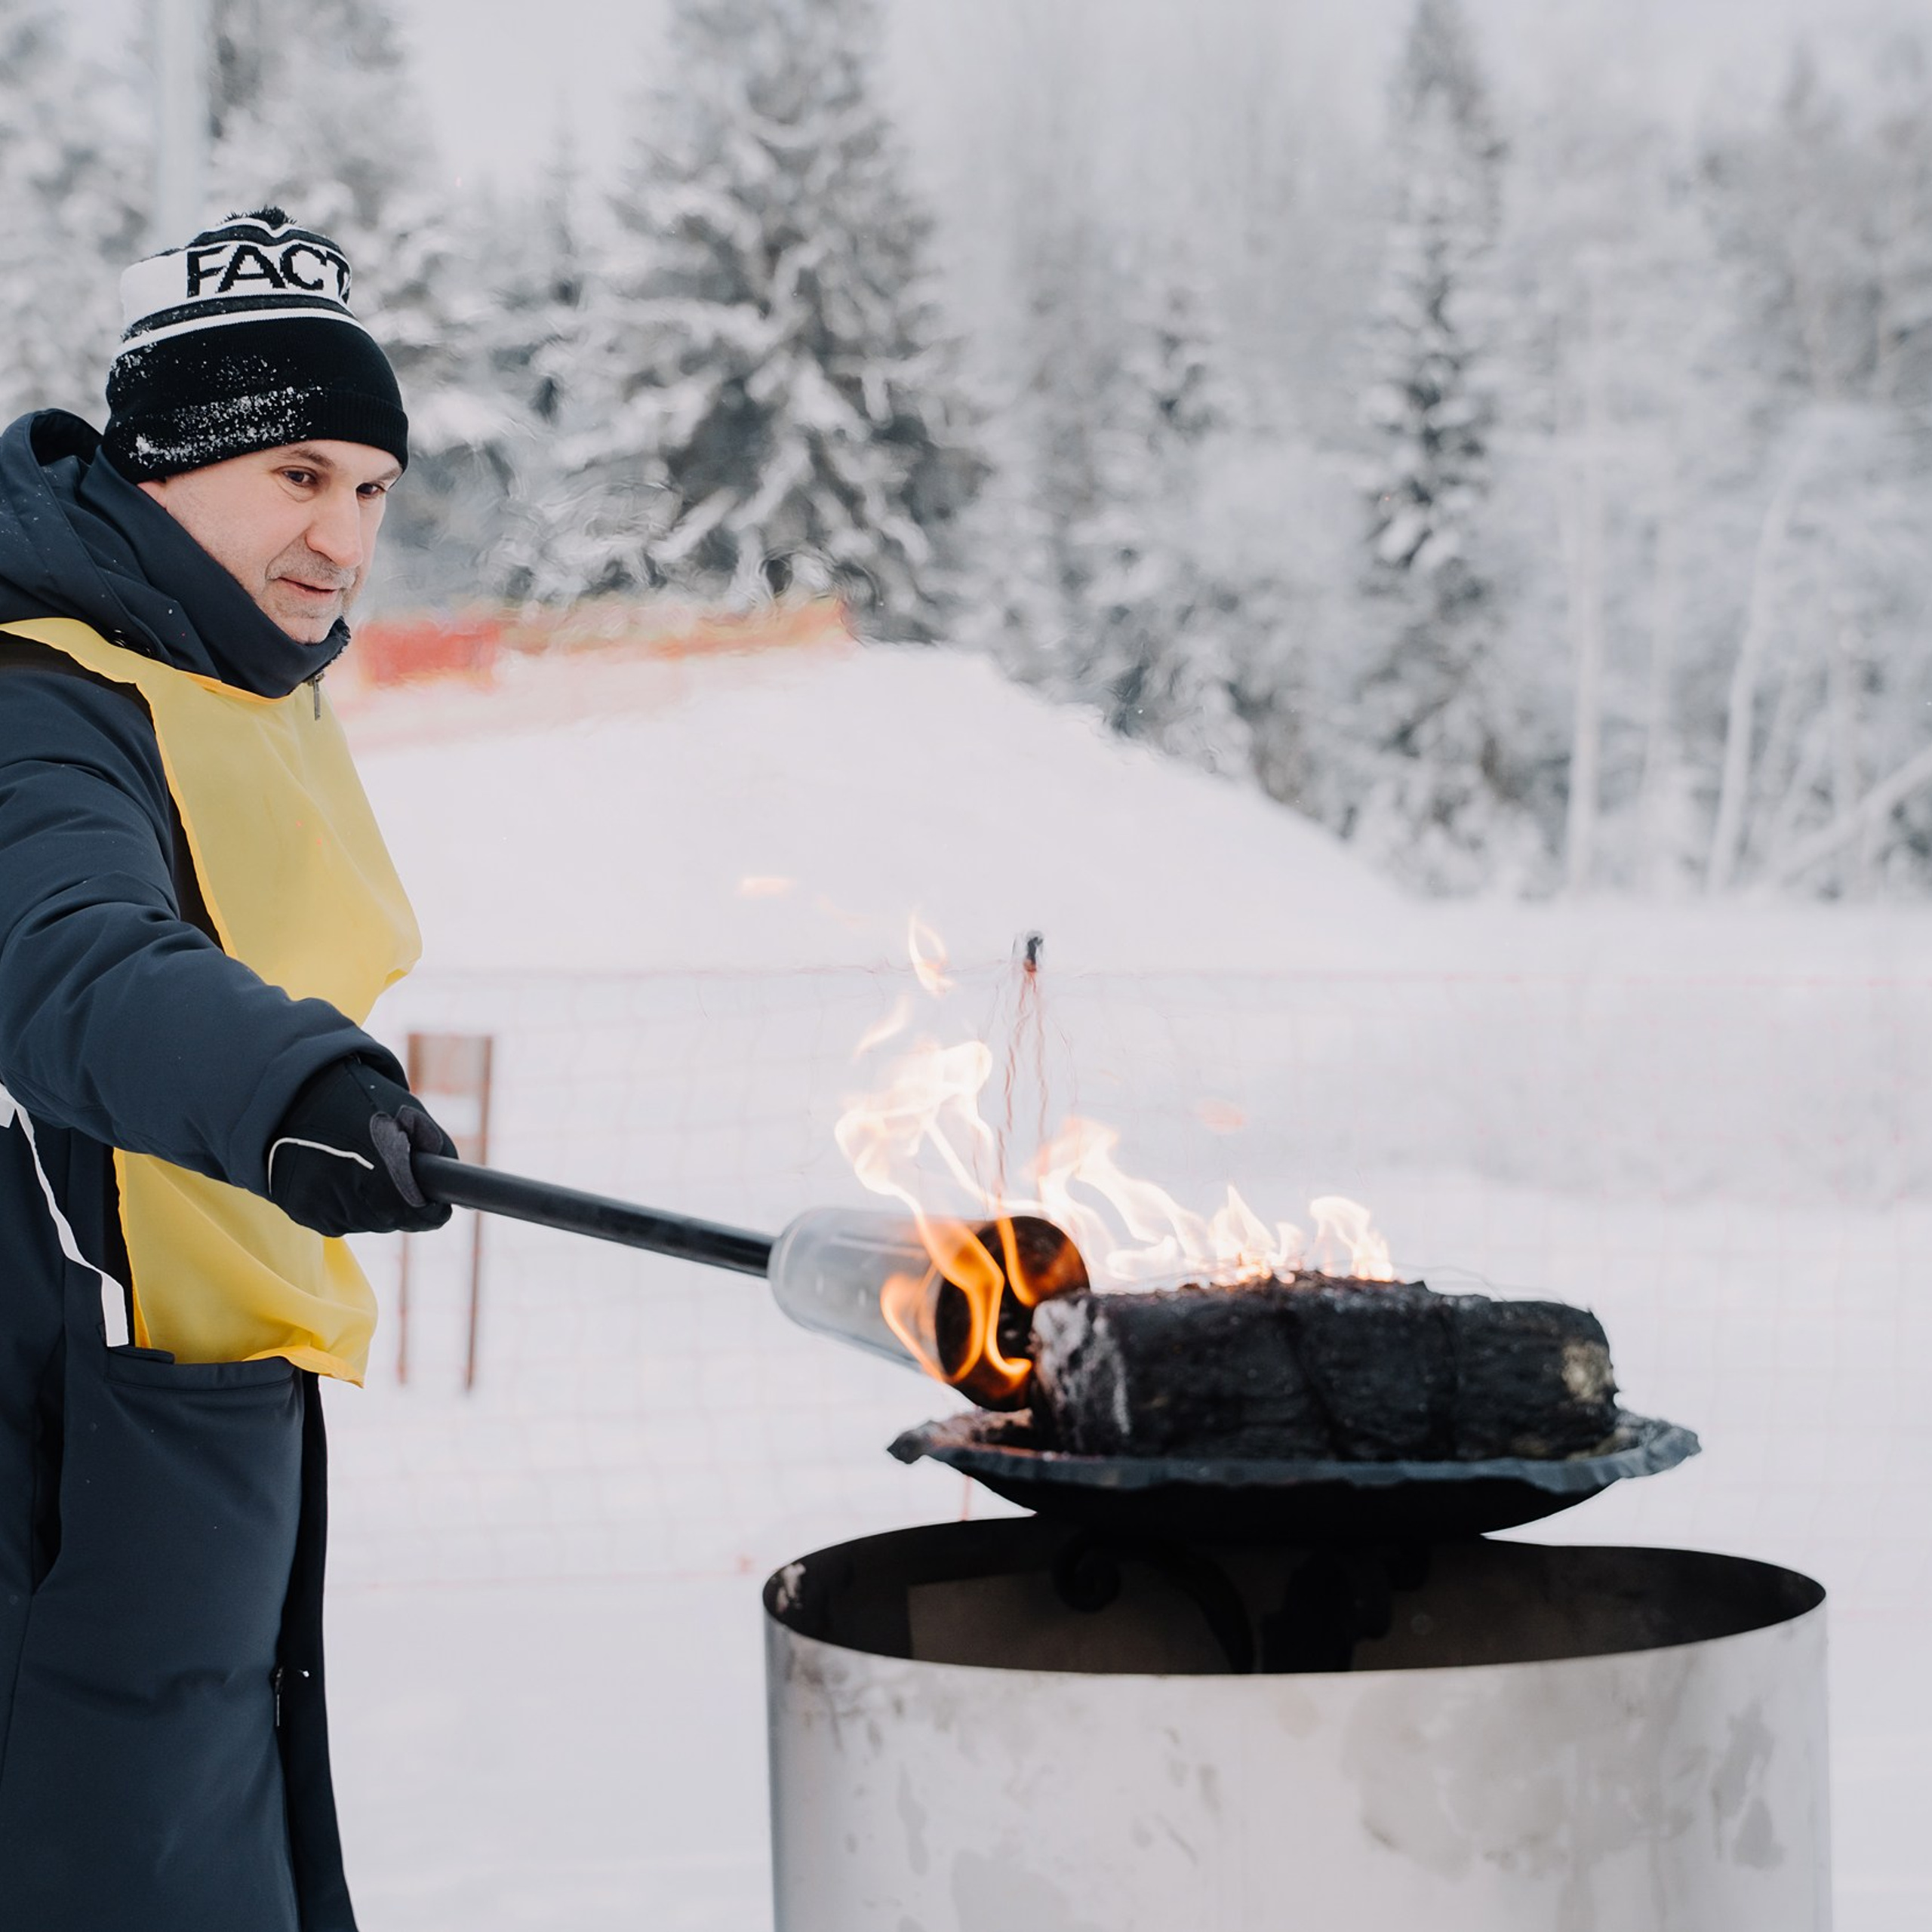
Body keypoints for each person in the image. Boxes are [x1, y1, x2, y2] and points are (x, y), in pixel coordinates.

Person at [0, 208, 457, 1931]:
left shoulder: (234, 677)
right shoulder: (43, 695)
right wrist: (292, 1088)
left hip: (206, 1391)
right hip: (70, 1418)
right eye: (298, 473)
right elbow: (65, 956)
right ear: (166, 466)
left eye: (373, 491)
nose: (344, 537)